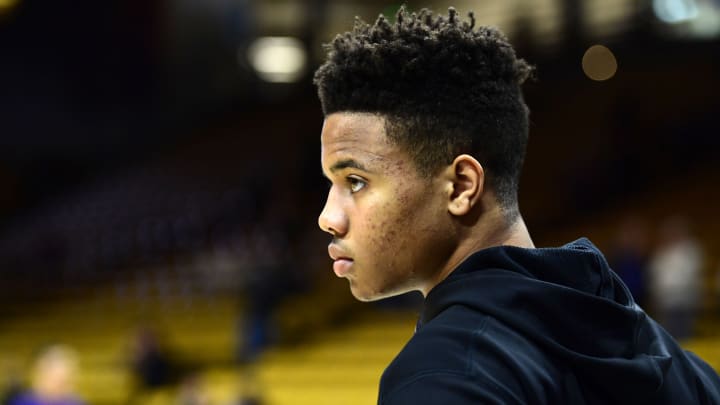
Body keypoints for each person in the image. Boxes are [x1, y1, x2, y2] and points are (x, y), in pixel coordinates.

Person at [313, 7, 720, 404]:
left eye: (356, 181)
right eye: (331, 184)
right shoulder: (675, 362)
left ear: (460, 187)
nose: (328, 218)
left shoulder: (445, 374)